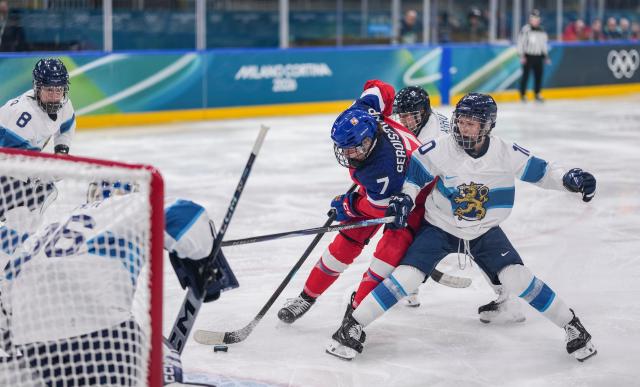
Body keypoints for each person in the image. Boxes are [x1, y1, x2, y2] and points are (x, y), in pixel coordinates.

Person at [326, 93, 597, 363]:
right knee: (406, 277)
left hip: (484, 231)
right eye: (460, 121)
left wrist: (568, 179)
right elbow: (415, 174)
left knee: (517, 277)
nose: (462, 128)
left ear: (487, 125)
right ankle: (353, 326)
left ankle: (572, 326)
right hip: (439, 227)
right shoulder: (442, 148)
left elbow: (544, 171)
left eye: (471, 123)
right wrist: (405, 197)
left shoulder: (505, 152)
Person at [0, 183, 238, 385]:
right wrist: (205, 261)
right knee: (163, 354)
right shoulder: (127, 204)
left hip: (37, 345)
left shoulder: (51, 229)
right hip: (102, 336)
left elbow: (8, 287)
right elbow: (187, 215)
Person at [277, 80, 429, 325]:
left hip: (415, 199)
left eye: (353, 149)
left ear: (369, 141)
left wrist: (347, 205)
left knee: (386, 255)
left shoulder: (383, 170)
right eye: (343, 148)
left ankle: (357, 310)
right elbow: (381, 88)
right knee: (346, 240)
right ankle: (307, 296)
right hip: (381, 188)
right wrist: (382, 107)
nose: (347, 155)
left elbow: (375, 208)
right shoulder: (360, 113)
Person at [0, 58, 75, 154]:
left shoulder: (65, 105)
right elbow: (9, 158)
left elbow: (65, 129)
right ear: (37, 89)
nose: (54, 96)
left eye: (59, 89)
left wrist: (61, 151)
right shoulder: (25, 115)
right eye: (49, 90)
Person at [517, 9, 550, 103]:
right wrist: (522, 55)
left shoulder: (542, 30)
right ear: (530, 19)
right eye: (533, 19)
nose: (535, 21)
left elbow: (543, 44)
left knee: (538, 76)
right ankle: (523, 94)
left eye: (537, 19)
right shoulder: (526, 29)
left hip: (538, 56)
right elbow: (520, 42)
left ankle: (537, 93)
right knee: (526, 76)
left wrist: (546, 56)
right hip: (528, 56)